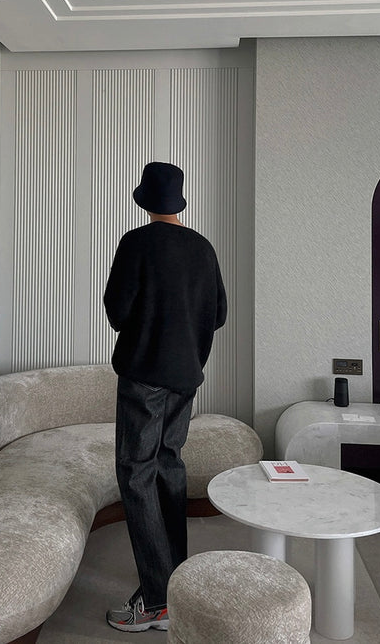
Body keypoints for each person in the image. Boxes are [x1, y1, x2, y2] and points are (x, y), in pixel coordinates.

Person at [103, 161, 227, 632]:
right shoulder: (203, 247)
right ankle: (175, 584)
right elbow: (219, 314)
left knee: (136, 473)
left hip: (143, 376)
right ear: (179, 201)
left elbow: (117, 312)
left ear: (145, 201)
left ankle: (157, 600)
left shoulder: (135, 243)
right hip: (186, 376)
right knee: (169, 465)